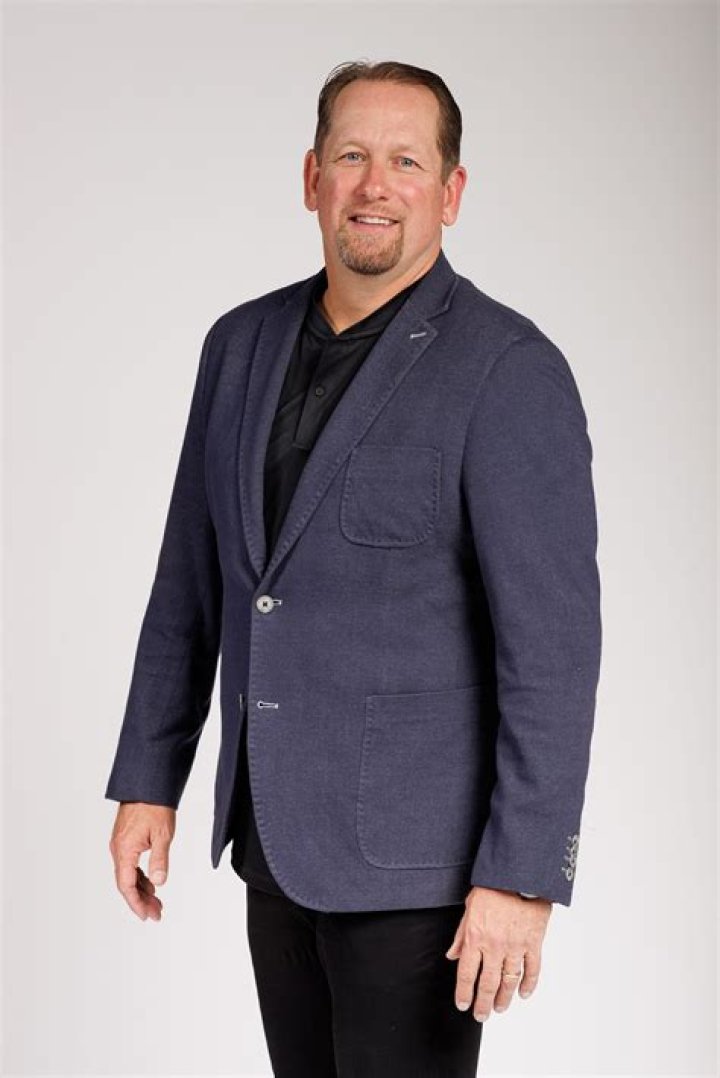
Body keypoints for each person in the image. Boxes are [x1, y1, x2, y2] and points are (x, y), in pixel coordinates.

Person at [105, 59, 602, 1077]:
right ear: (312, 178)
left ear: (451, 192)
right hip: (272, 844)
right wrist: (149, 780)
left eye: (407, 162)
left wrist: (522, 876)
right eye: (352, 156)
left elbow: (553, 652)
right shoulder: (238, 346)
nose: (376, 184)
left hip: (422, 876)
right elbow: (190, 583)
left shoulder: (508, 370)